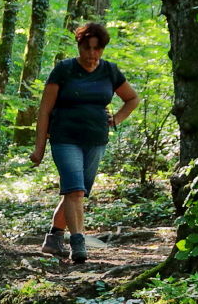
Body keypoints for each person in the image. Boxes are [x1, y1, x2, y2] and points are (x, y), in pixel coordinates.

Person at [29, 22, 138, 263]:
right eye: (87, 48)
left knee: (75, 191)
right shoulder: (63, 70)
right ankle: (78, 243)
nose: (92, 54)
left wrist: (116, 119)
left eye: (97, 49)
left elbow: (132, 99)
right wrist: (39, 148)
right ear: (79, 47)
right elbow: (44, 110)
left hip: (96, 140)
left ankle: (54, 237)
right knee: (75, 190)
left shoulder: (110, 71)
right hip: (64, 138)